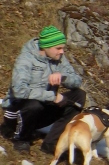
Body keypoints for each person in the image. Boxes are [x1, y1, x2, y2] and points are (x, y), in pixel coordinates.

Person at [2, 26, 85, 154]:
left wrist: (63, 78)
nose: (62, 52)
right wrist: (52, 97)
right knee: (34, 104)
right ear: (46, 47)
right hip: (17, 112)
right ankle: (21, 139)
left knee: (79, 95)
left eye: (63, 48)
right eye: (58, 48)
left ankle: (51, 143)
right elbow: (19, 91)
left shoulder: (59, 59)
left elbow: (77, 81)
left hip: (42, 109)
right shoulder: (25, 59)